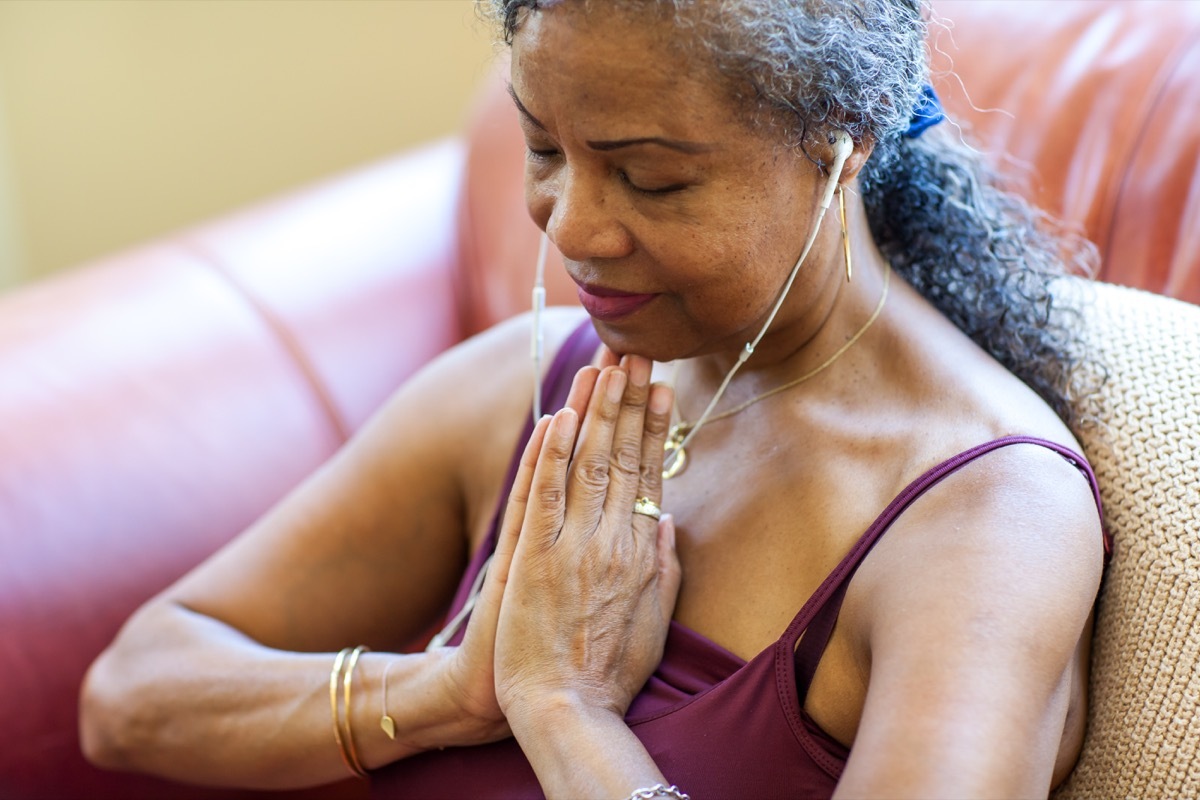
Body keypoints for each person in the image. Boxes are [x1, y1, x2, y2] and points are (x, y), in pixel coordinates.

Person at [79, 1, 1111, 797]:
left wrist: (567, 714)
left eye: (649, 179)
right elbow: (131, 693)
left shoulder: (983, 521)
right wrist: (449, 692)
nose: (569, 227)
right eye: (542, 148)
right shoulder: (529, 384)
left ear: (840, 142)